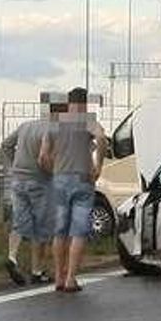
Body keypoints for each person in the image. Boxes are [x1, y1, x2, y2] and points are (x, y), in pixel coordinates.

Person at [39, 87, 105, 293]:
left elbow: (42, 156)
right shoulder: (87, 120)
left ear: (68, 103)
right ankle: (70, 279)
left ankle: (58, 277)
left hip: (59, 179)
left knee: (59, 232)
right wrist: (98, 165)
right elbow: (101, 139)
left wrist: (53, 170)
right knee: (78, 232)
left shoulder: (55, 122)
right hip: (83, 180)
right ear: (84, 103)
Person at [0, 109, 55, 285]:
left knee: (20, 222)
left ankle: (12, 256)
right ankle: (37, 271)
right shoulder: (53, 130)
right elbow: (45, 158)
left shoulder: (25, 126)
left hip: (17, 180)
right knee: (42, 227)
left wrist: (13, 164)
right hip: (40, 181)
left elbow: (6, 144)